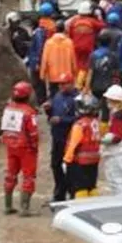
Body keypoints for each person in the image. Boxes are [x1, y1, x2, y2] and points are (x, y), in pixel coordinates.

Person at [0, 82, 40, 216]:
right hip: (26, 148)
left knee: (10, 175)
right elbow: (33, 133)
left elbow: (4, 128)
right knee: (28, 177)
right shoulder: (29, 112)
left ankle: (8, 205)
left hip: (11, 146)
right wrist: (35, 146)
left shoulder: (8, 108)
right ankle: (24, 208)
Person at [44, 72, 78, 204]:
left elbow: (79, 119)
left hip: (70, 139)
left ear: (71, 83)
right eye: (60, 84)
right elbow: (52, 115)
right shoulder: (57, 96)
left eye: (65, 84)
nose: (61, 86)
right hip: (57, 137)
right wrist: (48, 110)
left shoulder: (77, 99)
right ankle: (59, 194)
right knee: (55, 165)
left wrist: (62, 120)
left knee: (70, 168)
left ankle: (73, 194)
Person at [63, 94, 102, 199]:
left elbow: (73, 144)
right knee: (91, 186)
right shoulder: (96, 123)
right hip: (94, 160)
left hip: (80, 162)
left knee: (79, 188)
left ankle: (79, 207)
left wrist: (67, 160)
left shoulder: (80, 124)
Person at [98, 85, 122, 199]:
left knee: (117, 181)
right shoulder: (121, 113)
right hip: (119, 151)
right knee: (119, 180)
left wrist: (102, 140)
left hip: (116, 153)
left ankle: (121, 202)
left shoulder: (118, 116)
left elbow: (117, 137)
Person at [66, 1, 103, 84]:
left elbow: (70, 35)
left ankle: (78, 83)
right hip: (89, 48)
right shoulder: (92, 21)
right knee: (87, 66)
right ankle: (85, 83)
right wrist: (98, 17)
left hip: (76, 47)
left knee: (78, 66)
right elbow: (103, 26)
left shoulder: (74, 22)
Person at [39, 19, 75, 95]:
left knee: (54, 96)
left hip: (53, 76)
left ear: (55, 29)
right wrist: (74, 72)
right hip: (66, 77)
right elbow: (73, 60)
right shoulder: (69, 42)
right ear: (64, 29)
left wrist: (42, 74)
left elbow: (44, 59)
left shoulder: (49, 43)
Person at [88, 34, 119, 121]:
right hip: (108, 86)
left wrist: (87, 87)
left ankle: (94, 127)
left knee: (94, 108)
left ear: (98, 42)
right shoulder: (113, 55)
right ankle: (104, 129)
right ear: (110, 43)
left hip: (95, 86)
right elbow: (116, 73)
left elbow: (90, 72)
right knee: (106, 110)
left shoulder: (93, 55)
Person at [26, 7, 52, 104]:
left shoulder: (38, 33)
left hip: (36, 61)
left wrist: (37, 61)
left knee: (38, 82)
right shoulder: (37, 32)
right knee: (36, 82)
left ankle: (41, 100)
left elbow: (40, 47)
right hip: (33, 60)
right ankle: (40, 99)